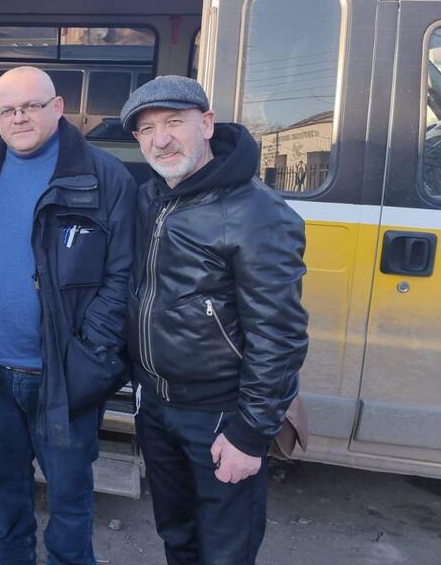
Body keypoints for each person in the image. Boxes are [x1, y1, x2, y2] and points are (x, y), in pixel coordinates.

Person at [119, 75, 309, 565]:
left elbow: (280, 335)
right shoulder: (152, 197)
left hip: (220, 415)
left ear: (206, 124)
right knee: (177, 537)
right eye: (146, 130)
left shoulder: (257, 213)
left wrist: (251, 431)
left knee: (225, 551)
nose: (160, 140)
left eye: (173, 123)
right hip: (157, 408)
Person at [0, 66, 136, 565]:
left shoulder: (105, 177)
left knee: (69, 498)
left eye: (31, 106)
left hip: (64, 377)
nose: (19, 118)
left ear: (58, 108)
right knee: (8, 490)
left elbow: (124, 276)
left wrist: (89, 352)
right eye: (7, 110)